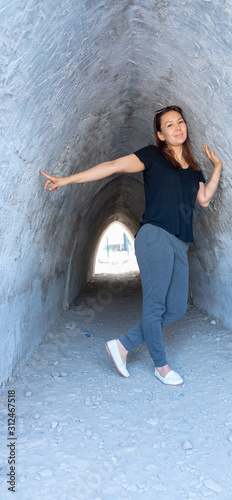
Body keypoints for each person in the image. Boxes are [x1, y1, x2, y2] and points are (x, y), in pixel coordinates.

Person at [41, 105, 222, 386]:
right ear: (160, 135)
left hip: (180, 243)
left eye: (181, 122)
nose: (178, 128)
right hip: (155, 236)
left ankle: (122, 345)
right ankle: (161, 366)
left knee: (176, 309)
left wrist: (217, 168)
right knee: (154, 306)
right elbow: (112, 167)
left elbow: (204, 199)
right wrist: (66, 180)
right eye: (170, 125)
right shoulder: (152, 156)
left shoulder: (194, 168)